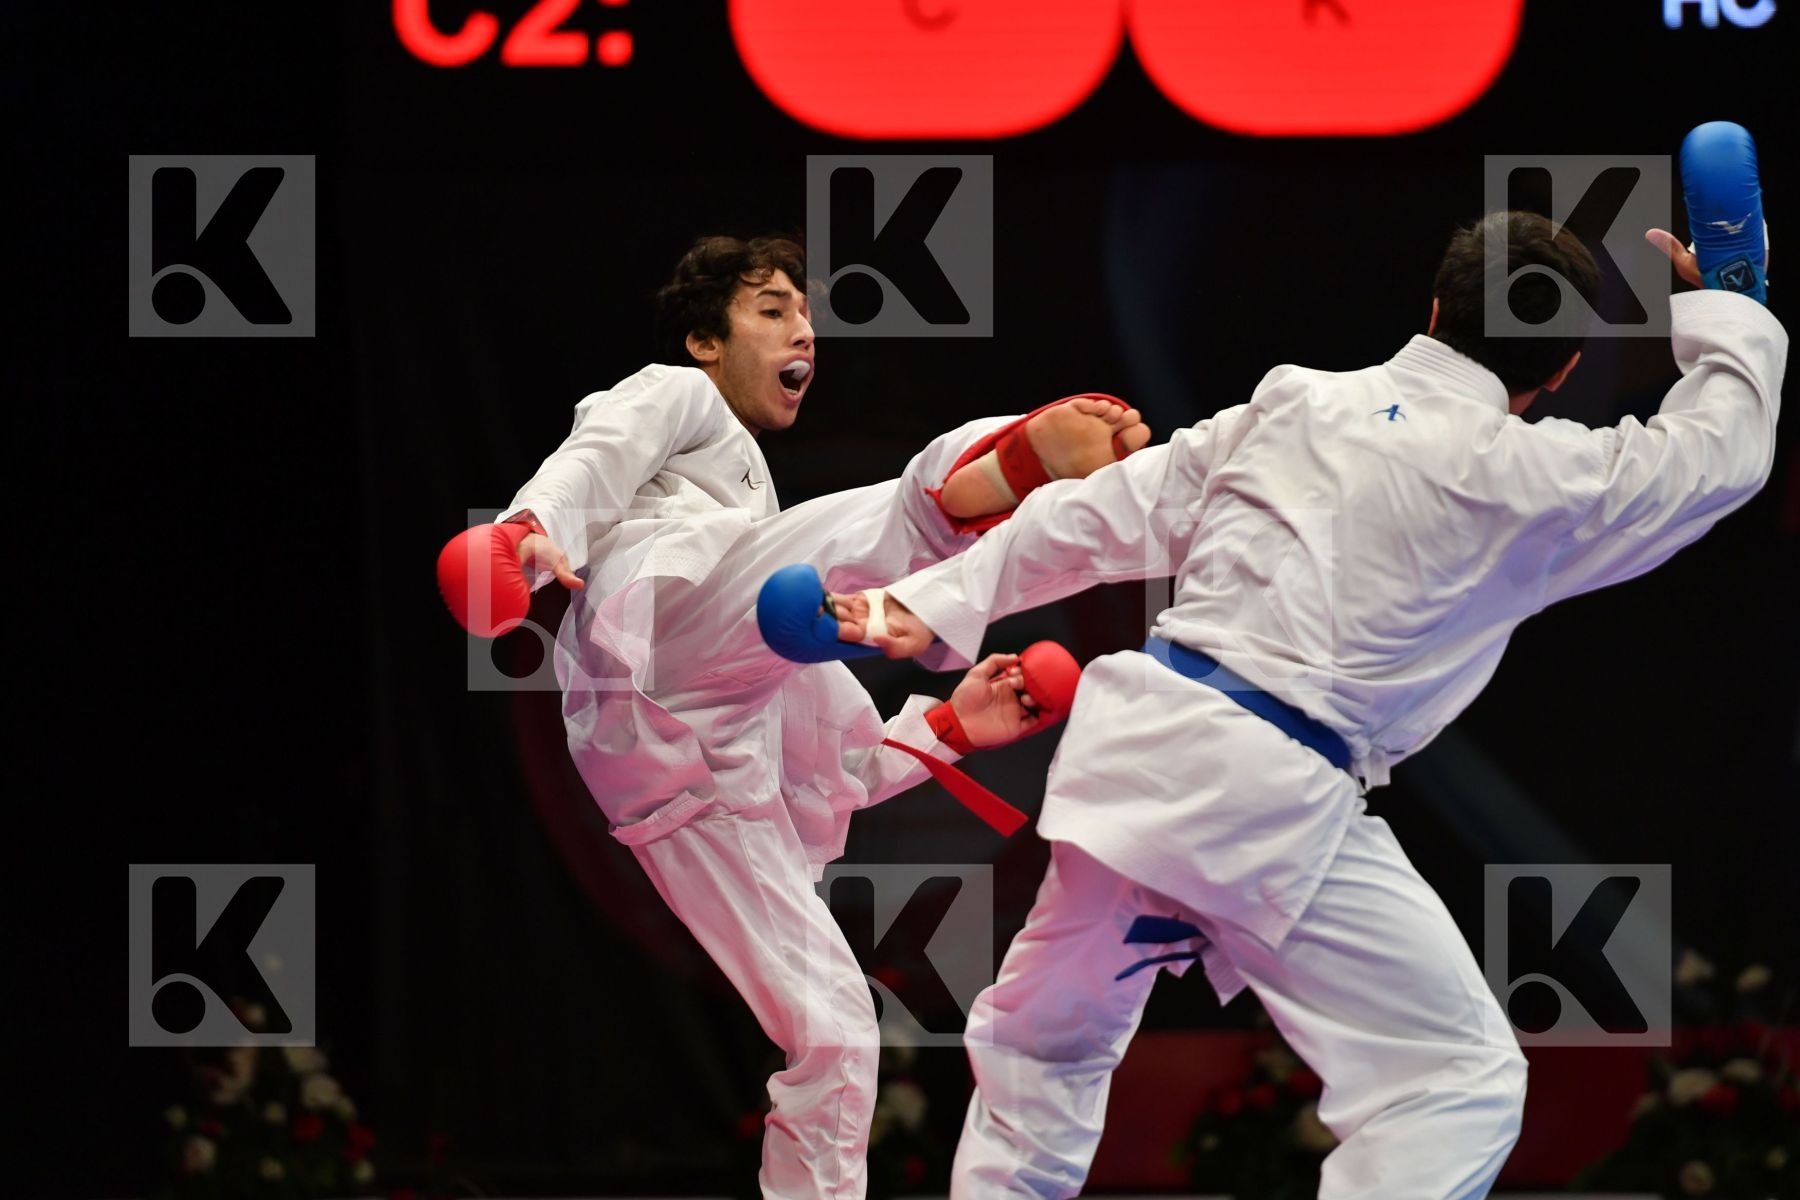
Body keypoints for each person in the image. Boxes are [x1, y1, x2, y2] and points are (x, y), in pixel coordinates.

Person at [823, 135, 1783, 1198]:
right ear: (1559, 373)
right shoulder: (1538, 477)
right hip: (1270, 793)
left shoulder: (1293, 403)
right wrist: (1733, 307)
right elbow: (1712, 462)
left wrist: (927, 600)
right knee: (1449, 1083)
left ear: (1434, 310)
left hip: (1136, 761)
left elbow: (1102, 514)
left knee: (1044, 1051)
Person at [435, 233, 1150, 1199]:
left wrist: (954, 727)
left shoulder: (756, 500)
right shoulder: (673, 393)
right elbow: (594, 455)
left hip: (695, 787)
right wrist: (527, 532)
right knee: (809, 573)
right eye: (771, 310)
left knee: (839, 1035)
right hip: (659, 639)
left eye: (806, 316)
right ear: (704, 342)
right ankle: (996, 469)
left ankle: (943, 614)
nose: (800, 329)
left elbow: (835, 770)